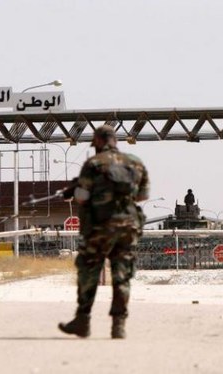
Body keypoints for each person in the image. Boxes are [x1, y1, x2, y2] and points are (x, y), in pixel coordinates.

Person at [59, 125, 149, 339]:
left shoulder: (93, 164)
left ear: (98, 141)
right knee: (122, 275)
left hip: (99, 227)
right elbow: (142, 196)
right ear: (115, 140)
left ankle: (83, 320)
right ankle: (118, 325)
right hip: (128, 227)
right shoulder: (135, 163)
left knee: (89, 271)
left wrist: (73, 189)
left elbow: (82, 196)